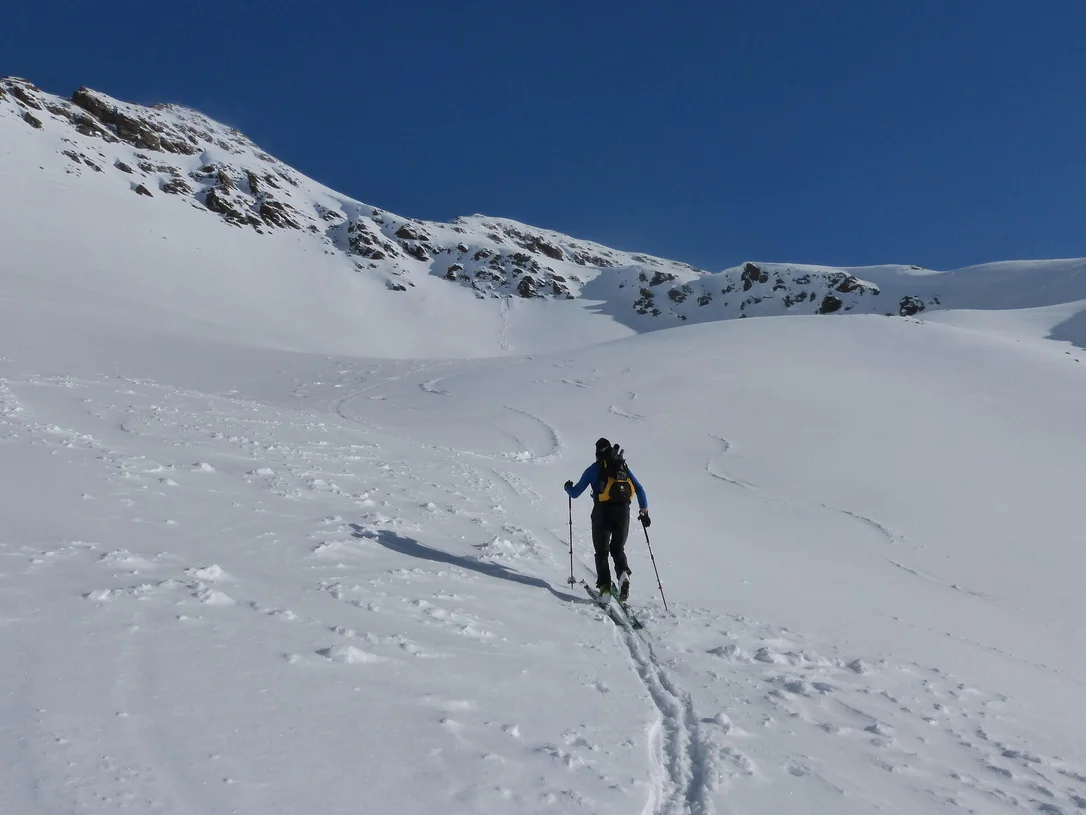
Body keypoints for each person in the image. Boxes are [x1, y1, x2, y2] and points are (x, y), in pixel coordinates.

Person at [564, 438, 650, 601]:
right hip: (623, 512)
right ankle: (623, 573)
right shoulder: (622, 467)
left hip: (602, 511)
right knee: (617, 548)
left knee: (601, 552)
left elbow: (575, 493)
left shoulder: (594, 469)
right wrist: (644, 511)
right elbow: (639, 488)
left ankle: (605, 589)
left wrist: (567, 487)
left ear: (597, 453)